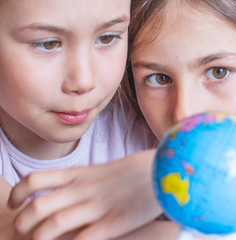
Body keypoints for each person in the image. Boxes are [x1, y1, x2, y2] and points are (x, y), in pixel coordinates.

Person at [7, 0, 236, 239]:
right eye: (159, 79)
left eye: (218, 71)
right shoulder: (125, 126)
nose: (185, 112)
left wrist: (178, 177)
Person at [0, 0, 159, 239]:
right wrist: (166, 177)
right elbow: (19, 228)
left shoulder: (148, 118)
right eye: (48, 43)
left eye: (107, 38)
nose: (84, 82)